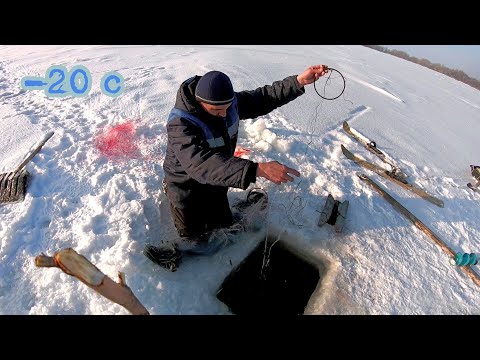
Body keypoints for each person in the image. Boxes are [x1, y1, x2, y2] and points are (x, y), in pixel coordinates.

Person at [144, 65, 330, 271]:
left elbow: (264, 97)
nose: (224, 115)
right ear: (200, 102)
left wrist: (298, 82)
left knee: (224, 225)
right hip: (186, 188)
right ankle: (176, 247)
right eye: (216, 110)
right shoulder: (181, 124)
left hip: (216, 181)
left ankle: (238, 211)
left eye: (227, 108)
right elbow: (202, 164)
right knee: (198, 242)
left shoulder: (228, 104)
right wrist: (255, 169)